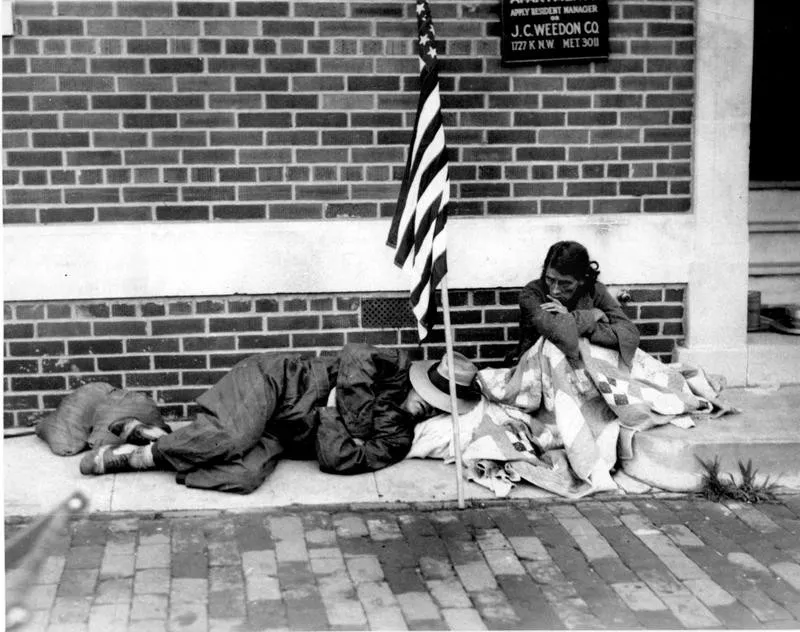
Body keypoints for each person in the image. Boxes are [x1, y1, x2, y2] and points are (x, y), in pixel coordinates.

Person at [79, 343, 481, 494]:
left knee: (242, 477)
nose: (428, 406)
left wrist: (331, 411)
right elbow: (355, 356)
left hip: (287, 433)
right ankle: (136, 457)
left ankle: (154, 438)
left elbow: (339, 461)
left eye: (439, 407)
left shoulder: (398, 440)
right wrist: (353, 425)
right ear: (422, 379)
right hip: (277, 382)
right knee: (234, 439)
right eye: (430, 395)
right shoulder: (394, 365)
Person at [512, 240, 640, 367]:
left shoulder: (595, 291)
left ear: (582, 280)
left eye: (565, 283)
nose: (555, 289)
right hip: (538, 365)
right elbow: (559, 334)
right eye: (550, 279)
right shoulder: (531, 293)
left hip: (586, 364)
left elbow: (628, 334)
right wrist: (592, 315)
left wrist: (572, 319)